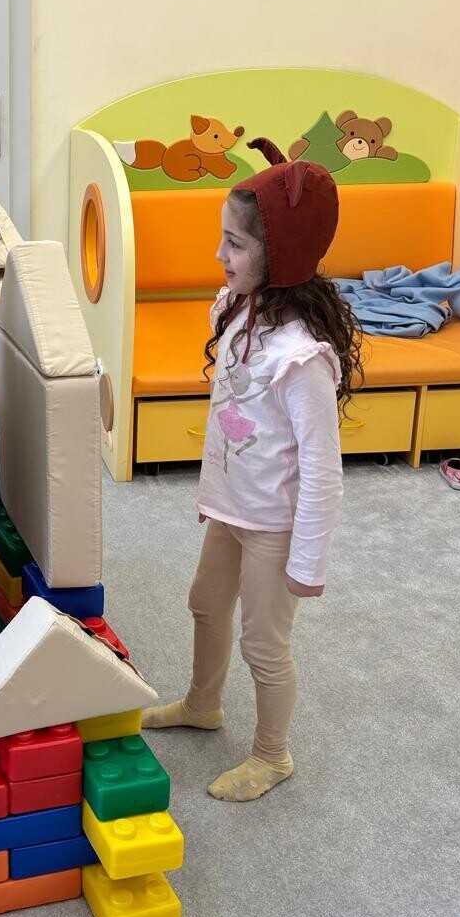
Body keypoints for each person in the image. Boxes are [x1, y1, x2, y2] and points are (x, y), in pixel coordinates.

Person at [143, 137, 360, 802]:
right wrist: (214, 495)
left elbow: (323, 471)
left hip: (274, 524)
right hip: (233, 507)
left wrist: (308, 562)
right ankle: (202, 704)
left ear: (279, 253)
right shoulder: (237, 310)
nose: (220, 254)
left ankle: (273, 755)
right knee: (205, 604)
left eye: (234, 243)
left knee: (263, 644)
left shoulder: (301, 359)